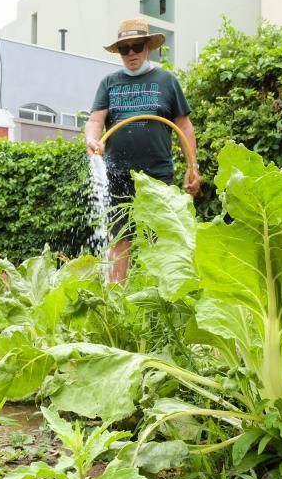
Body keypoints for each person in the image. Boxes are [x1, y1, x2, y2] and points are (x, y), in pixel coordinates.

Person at [85, 18, 201, 283]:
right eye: (125, 49)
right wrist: (93, 140)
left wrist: (193, 167)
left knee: (157, 238)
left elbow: (184, 126)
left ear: (148, 47)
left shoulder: (167, 81)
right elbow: (95, 120)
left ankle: (158, 296)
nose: (131, 53)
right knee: (119, 237)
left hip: (157, 176)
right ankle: (117, 298)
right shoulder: (109, 83)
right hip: (118, 174)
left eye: (137, 46)